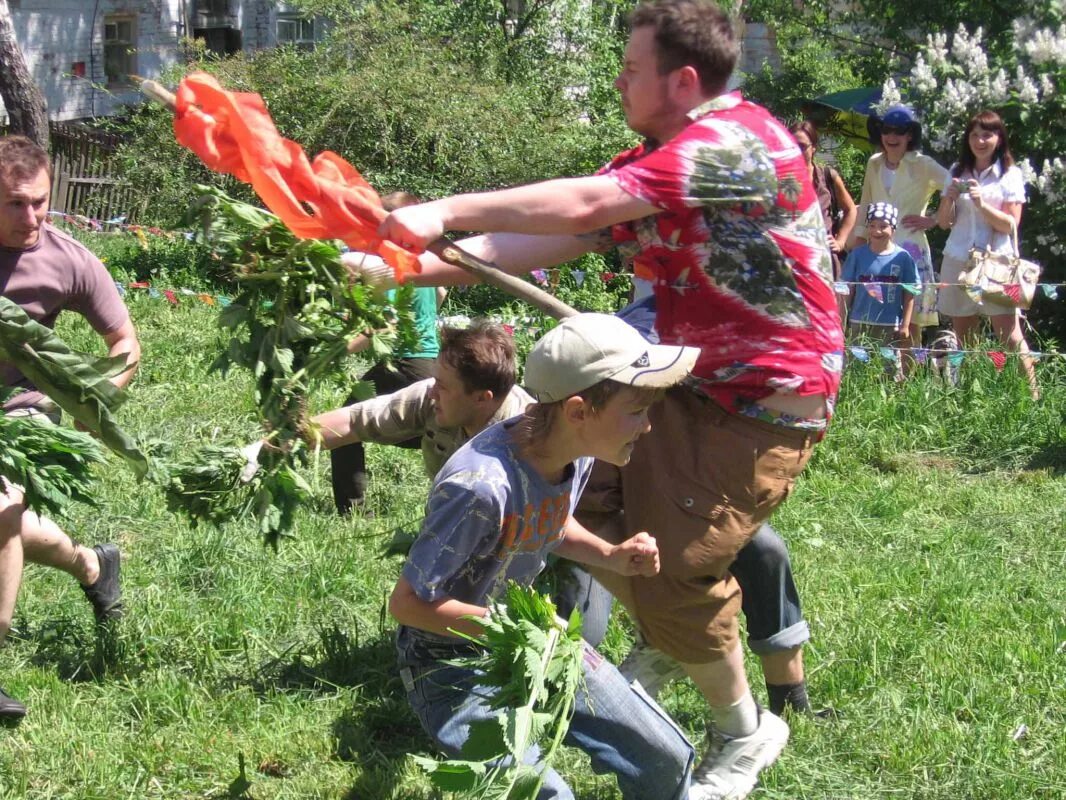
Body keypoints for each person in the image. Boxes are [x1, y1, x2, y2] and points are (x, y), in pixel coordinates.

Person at [350, 3, 844, 797]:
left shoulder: (732, 143)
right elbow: (561, 239)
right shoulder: (665, 154)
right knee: (591, 500)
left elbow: (583, 206)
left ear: (683, 81)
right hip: (689, 377)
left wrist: (446, 210)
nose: (618, 80)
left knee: (677, 567)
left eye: (630, 68)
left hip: (758, 399)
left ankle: (743, 732)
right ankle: (667, 636)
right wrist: (404, 268)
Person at [391, 312, 699, 800]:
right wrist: (517, 631)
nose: (646, 426)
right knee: (541, 792)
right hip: (449, 666)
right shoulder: (478, 488)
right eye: (637, 410)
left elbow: (548, 521)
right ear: (579, 411)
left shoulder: (572, 452)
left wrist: (610, 555)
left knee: (665, 753)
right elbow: (408, 604)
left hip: (536, 646)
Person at [0, 135, 141, 720]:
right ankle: (91, 564)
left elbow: (125, 346)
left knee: (1, 506)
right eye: (14, 204)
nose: (31, 216)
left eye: (39, 201)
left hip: (21, 413)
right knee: (12, 528)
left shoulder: (68, 259)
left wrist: (90, 406)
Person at [330, 191, 444, 515]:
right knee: (433, 428)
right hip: (432, 361)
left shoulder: (389, 264)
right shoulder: (423, 262)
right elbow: (441, 292)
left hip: (406, 364)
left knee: (344, 425)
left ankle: (352, 510)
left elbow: (387, 325)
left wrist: (338, 351)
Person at [935, 109, 1038, 398]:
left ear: (999, 138)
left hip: (998, 264)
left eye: (987, 134)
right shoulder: (957, 170)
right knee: (965, 335)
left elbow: (1010, 224)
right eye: (975, 134)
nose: (980, 140)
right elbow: (944, 223)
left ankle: (1032, 396)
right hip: (958, 258)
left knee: (1008, 333)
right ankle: (973, 395)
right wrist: (950, 198)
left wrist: (980, 203)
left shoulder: (1010, 174)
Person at [853, 105, 947, 350]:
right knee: (875, 315)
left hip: (910, 249)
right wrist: (858, 244)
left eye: (899, 131)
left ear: (910, 135)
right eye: (887, 130)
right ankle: (877, 380)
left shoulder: (923, 164)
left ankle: (908, 383)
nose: (892, 137)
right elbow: (865, 204)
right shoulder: (874, 163)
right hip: (875, 249)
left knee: (910, 321)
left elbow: (956, 187)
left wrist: (935, 219)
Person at [841, 202, 919, 372]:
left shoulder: (903, 257)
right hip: (859, 321)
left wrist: (905, 325)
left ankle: (885, 397)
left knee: (886, 367)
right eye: (872, 226)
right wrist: (841, 320)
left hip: (889, 323)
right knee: (857, 367)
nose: (877, 231)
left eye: (883, 226)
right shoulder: (857, 255)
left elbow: (910, 292)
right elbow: (847, 290)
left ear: (893, 229)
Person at [789, 120, 857, 289]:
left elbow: (850, 210)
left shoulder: (828, 176)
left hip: (824, 260)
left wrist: (840, 241)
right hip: (791, 260)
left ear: (814, 148)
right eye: (791, 145)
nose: (797, 151)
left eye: (802, 146)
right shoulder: (780, 179)